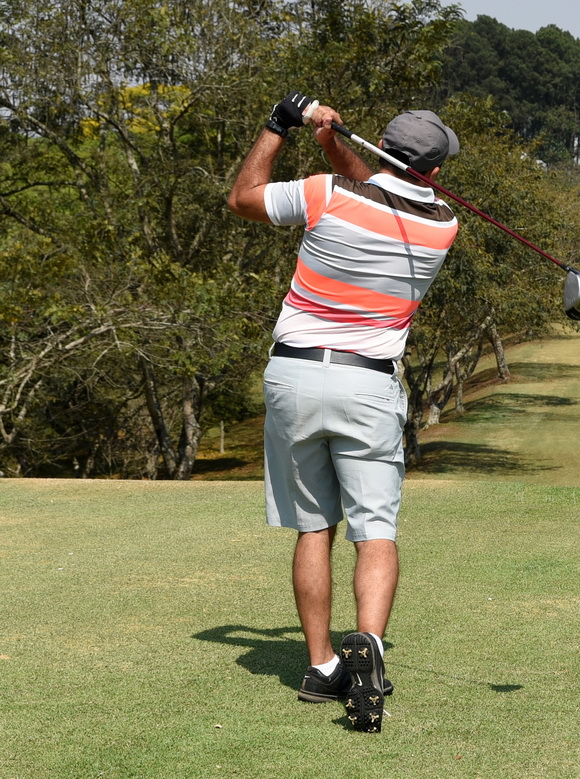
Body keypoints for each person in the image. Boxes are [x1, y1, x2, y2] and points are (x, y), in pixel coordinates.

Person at [227, 91, 459, 733]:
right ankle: (370, 647)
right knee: (374, 530)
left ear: (382, 146)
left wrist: (281, 124)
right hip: (368, 384)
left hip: (295, 375)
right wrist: (333, 144)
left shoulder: (325, 193)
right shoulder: (442, 225)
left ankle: (321, 666)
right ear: (435, 171)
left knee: (314, 527)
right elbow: (380, 192)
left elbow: (244, 198)